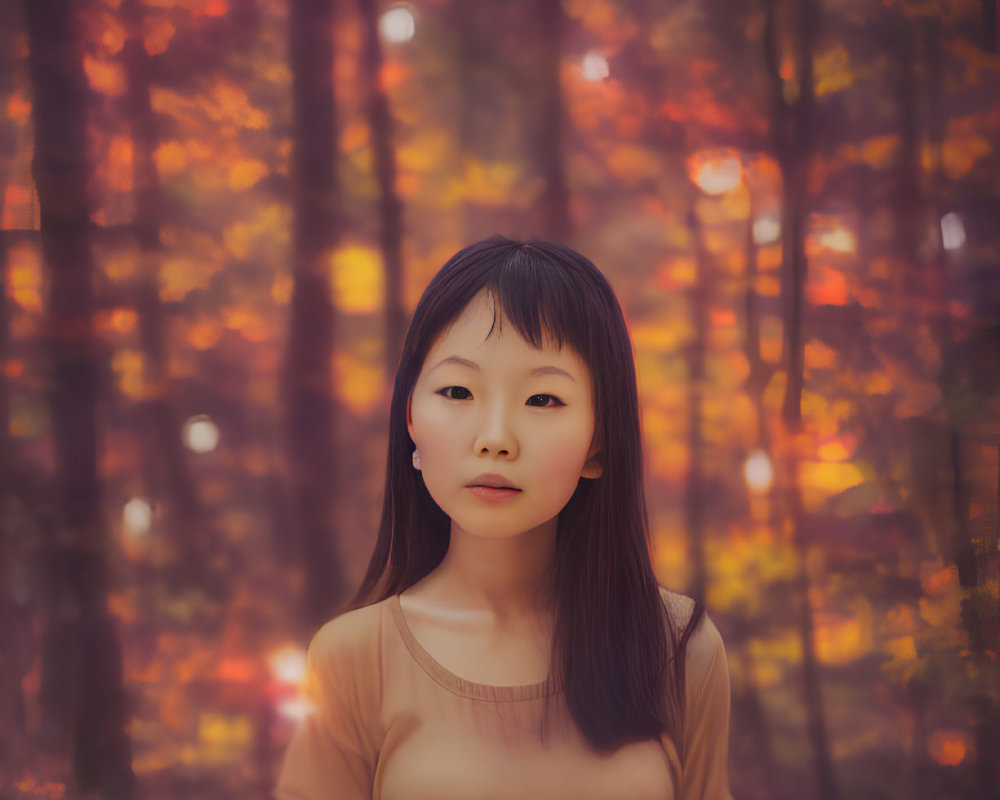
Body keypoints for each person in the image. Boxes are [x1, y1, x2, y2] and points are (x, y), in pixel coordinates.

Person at [274, 237, 733, 800]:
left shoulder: (677, 648)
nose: (495, 439)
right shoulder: (351, 659)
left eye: (542, 400)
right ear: (411, 420)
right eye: (458, 390)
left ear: (599, 442)